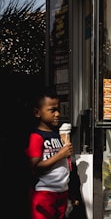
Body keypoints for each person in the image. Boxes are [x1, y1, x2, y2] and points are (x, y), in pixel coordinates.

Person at [25, 87, 73, 219]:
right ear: (37, 113)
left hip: (61, 191)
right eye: (52, 110)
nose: (57, 114)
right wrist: (60, 155)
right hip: (44, 193)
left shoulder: (56, 134)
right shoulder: (36, 137)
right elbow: (35, 167)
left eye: (58, 109)